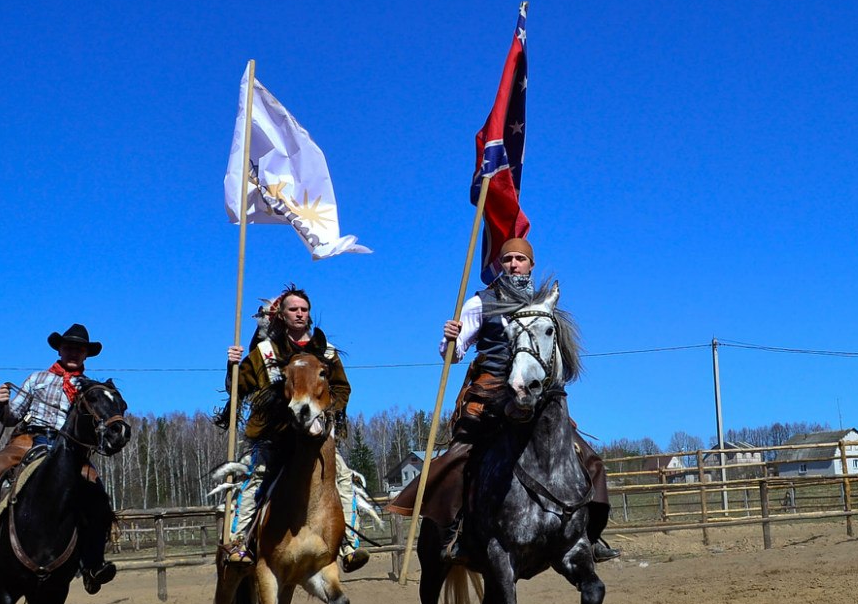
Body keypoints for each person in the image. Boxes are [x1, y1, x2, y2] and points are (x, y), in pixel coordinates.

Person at [388, 237, 620, 563]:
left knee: (590, 461)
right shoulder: (480, 303)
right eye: (508, 258)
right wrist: (451, 340)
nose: (513, 264)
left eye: (520, 259)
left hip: (537, 400)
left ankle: (588, 538)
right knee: (460, 459)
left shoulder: (544, 306)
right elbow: (453, 356)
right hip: (490, 394)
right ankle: (456, 530)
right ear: (500, 264)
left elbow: (558, 359)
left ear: (531, 265)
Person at [0, 324, 119, 595]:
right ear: (60, 349)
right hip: (29, 441)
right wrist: (2, 404)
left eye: (79, 348)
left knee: (97, 494)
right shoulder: (37, 379)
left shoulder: (91, 390)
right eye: (69, 346)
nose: (73, 351)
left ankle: (92, 562)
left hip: (71, 451)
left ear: (86, 354)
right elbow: (11, 416)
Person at [219, 285, 375, 572]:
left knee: (342, 476)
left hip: (316, 435)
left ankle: (349, 544)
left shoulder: (325, 352)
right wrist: (232, 366)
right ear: (281, 315)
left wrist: (327, 412)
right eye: (293, 309)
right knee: (257, 477)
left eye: (304, 309)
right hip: (275, 434)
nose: (300, 313)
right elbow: (238, 388)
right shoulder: (264, 352)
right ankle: (238, 541)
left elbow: (341, 387)